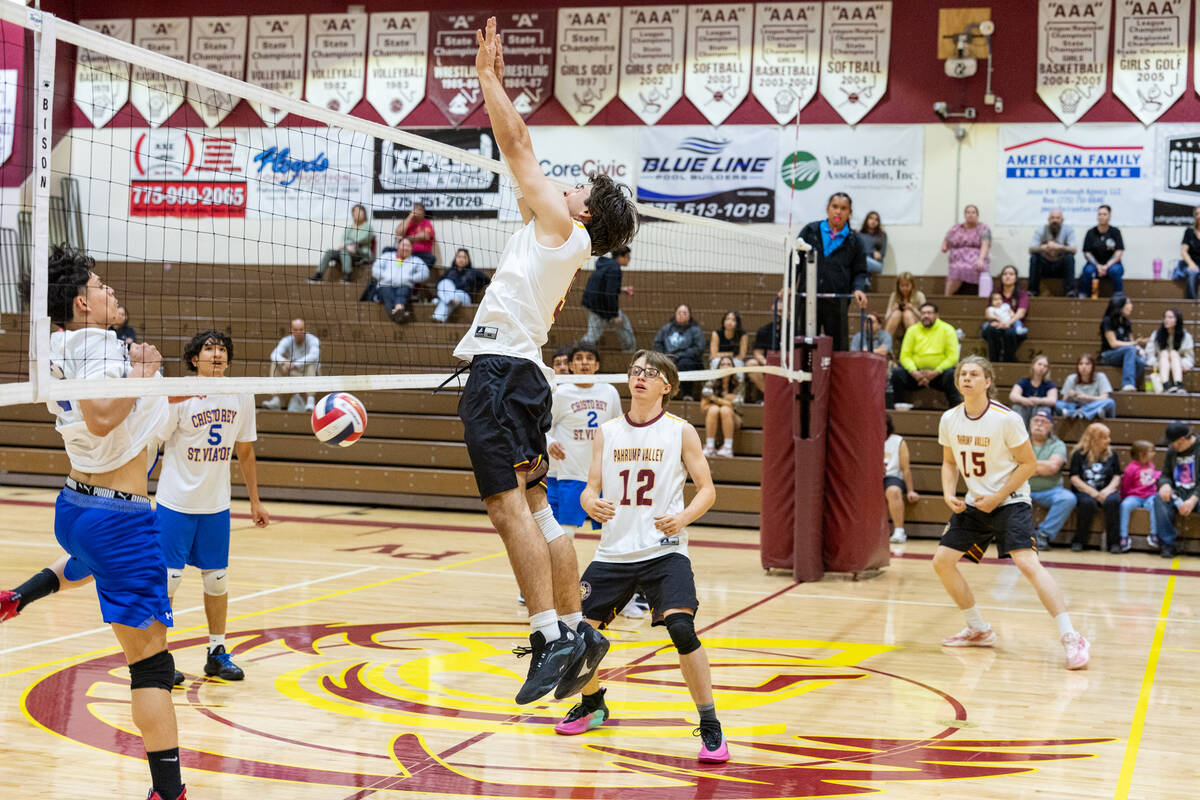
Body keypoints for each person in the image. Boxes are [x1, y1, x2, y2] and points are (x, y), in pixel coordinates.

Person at [452, 17, 637, 706]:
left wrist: (488, 80)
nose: (563, 189)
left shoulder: (560, 227)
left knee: (508, 511)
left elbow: (518, 143)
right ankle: (575, 629)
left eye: (577, 191)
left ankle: (546, 637)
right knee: (541, 512)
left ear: (584, 215)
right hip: (523, 376)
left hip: (502, 377)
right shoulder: (566, 245)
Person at [3, 245, 186, 799]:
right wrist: (145, 368)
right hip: (118, 519)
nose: (111, 292)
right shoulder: (103, 346)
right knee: (151, 666)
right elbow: (104, 417)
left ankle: (17, 596)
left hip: (77, 507)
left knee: (89, 563)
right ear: (82, 302)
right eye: (102, 285)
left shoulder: (58, 342)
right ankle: (169, 792)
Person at [564, 350, 727, 764]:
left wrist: (683, 517)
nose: (640, 377)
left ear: (665, 386)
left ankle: (710, 725)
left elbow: (707, 489)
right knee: (577, 635)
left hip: (663, 551)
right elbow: (591, 486)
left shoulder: (681, 431)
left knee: (681, 629)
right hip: (613, 551)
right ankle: (594, 703)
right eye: (636, 371)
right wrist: (590, 502)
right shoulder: (608, 431)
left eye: (650, 374)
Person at [933, 355, 1090, 670]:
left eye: (974, 374)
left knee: (1026, 563)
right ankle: (978, 628)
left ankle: (1071, 636)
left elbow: (1029, 465)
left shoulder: (1006, 418)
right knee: (942, 563)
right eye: (962, 374)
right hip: (975, 502)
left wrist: (997, 496)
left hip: (1011, 500)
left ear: (988, 381)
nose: (966, 378)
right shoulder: (950, 418)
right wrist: (949, 492)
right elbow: (950, 462)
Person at [157, 330, 269, 685]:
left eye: (221, 349)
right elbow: (157, 440)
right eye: (209, 349)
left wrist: (254, 501)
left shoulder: (241, 393)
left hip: (216, 504)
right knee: (168, 581)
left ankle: (216, 653)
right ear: (195, 359)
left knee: (217, 581)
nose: (216, 354)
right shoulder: (180, 392)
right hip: (175, 501)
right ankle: (158, 657)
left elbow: (245, 450)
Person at [797, 192, 870, 351]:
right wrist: (789, 285)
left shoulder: (855, 240)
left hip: (837, 303)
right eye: (835, 207)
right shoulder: (810, 231)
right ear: (827, 209)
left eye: (843, 208)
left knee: (838, 349)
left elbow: (860, 271)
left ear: (849, 213)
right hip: (807, 300)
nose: (838, 212)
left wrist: (859, 288)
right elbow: (795, 261)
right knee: (804, 348)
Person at [890, 302, 962, 408]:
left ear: (937, 315)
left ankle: (955, 411)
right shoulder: (912, 330)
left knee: (951, 375)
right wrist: (914, 371)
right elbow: (905, 356)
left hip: (939, 374)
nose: (926, 316)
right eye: (923, 313)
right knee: (896, 374)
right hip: (916, 375)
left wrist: (936, 371)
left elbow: (953, 357)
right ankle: (901, 409)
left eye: (929, 313)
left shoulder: (947, 329)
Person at [1027, 407, 1076, 551]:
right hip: (1022, 488)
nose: (1040, 424)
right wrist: (1041, 467)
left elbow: (1053, 467)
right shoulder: (1021, 442)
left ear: (1050, 427)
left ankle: (1043, 535)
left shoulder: (1057, 444)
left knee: (1067, 499)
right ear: (1030, 423)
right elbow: (1011, 467)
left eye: (1044, 422)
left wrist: (1027, 466)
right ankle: (1016, 536)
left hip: (1050, 490)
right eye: (1036, 420)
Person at [1067, 422, 1122, 552]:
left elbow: (1117, 476)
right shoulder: (1078, 455)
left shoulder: (1112, 454)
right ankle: (1079, 541)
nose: (1109, 440)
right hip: (1085, 491)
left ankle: (1114, 543)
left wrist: (1107, 491)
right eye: (1105, 437)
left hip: (1106, 490)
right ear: (1094, 439)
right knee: (1087, 503)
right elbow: (1074, 477)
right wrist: (1093, 493)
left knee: (1113, 501)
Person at [1152, 421, 1198, 559]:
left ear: (1183, 440)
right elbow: (1165, 474)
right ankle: (1168, 544)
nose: (1171, 446)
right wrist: (1165, 485)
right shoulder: (1172, 451)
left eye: (1173, 442)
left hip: (1197, 494)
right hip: (1178, 493)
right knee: (1159, 499)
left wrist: (1193, 499)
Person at [580, 245, 636, 351]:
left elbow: (605, 287)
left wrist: (621, 289)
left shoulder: (606, 265)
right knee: (594, 335)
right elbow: (610, 293)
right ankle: (630, 353)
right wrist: (614, 315)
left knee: (593, 334)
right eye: (628, 257)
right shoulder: (615, 269)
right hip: (601, 307)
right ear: (621, 256)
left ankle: (580, 351)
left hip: (594, 304)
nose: (629, 259)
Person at [262, 318, 321, 412]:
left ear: (305, 329)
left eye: (301, 329)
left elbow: (314, 355)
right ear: (291, 330)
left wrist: (295, 364)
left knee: (311, 365)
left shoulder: (313, 340)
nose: (299, 332)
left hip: (308, 373)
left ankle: (310, 401)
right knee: (275, 364)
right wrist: (285, 362)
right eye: (296, 330)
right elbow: (273, 355)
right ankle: (276, 399)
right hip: (291, 372)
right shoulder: (287, 340)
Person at [371, 237, 430, 324]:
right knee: (387, 292)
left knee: (403, 291)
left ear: (411, 248)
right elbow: (375, 269)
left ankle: (397, 310)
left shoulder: (416, 260)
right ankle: (399, 313)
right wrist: (385, 276)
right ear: (398, 246)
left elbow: (425, 273)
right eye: (403, 245)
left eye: (408, 246)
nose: (405, 248)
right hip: (385, 285)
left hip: (404, 286)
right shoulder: (387, 256)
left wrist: (411, 278)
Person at [653, 304, 706, 398]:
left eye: (684, 313)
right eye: (679, 313)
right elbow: (657, 343)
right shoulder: (666, 329)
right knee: (661, 364)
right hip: (668, 358)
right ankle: (664, 394)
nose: (681, 315)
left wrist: (681, 355)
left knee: (685, 363)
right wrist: (663, 356)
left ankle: (687, 393)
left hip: (688, 359)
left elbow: (699, 348)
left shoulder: (696, 330)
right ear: (675, 314)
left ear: (689, 315)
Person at [312, 203, 373, 283]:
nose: (357, 213)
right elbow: (343, 240)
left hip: (362, 253)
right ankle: (319, 274)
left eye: (359, 211)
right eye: (355, 211)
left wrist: (348, 245)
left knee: (344, 251)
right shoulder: (349, 228)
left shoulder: (367, 227)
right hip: (347, 251)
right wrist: (347, 245)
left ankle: (347, 275)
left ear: (364, 214)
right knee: (329, 252)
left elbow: (362, 239)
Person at [979, 265, 1029, 363]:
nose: (1008, 276)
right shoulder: (995, 293)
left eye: (1011, 274)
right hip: (996, 322)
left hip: (1013, 323)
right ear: (1001, 277)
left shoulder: (1021, 294)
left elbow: (1021, 313)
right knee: (991, 329)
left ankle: (1008, 361)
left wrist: (1008, 323)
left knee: (1010, 333)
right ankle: (994, 361)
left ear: (1016, 278)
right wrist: (998, 321)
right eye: (1005, 274)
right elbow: (988, 312)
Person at [1098, 293, 1147, 392]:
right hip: (1108, 355)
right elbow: (1113, 344)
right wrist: (1133, 344)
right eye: (1128, 303)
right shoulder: (1108, 321)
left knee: (1141, 362)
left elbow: (1131, 341)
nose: (1131, 306)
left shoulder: (1126, 322)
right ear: (1120, 306)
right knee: (1130, 350)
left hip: (1125, 353)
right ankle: (1127, 384)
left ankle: (1129, 384)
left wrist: (1139, 348)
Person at [1118, 440, 1160, 554]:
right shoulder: (1130, 468)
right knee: (1125, 505)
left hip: (1150, 496)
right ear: (1141, 454)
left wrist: (1158, 474)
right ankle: (1123, 537)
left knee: (1155, 504)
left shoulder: (1151, 465)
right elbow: (1125, 486)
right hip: (1135, 496)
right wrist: (1124, 497)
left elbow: (1153, 476)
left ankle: (1153, 534)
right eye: (1151, 451)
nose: (1154, 453)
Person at [884, 413, 920, 544]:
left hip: (892, 477)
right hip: (873, 478)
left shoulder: (898, 441)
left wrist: (910, 490)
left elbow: (906, 468)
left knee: (893, 491)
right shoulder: (868, 437)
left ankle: (899, 531)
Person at [941, 204, 992, 295]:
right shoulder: (956, 228)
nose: (970, 214)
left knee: (973, 267)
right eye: (968, 212)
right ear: (964, 214)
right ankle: (947, 297)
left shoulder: (984, 228)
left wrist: (981, 259)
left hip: (976, 257)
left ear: (977, 215)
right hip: (957, 259)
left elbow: (985, 244)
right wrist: (944, 246)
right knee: (956, 269)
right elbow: (946, 239)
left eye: (973, 212)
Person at [1028, 208, 1078, 297]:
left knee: (1069, 257)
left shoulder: (1068, 230)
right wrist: (1043, 248)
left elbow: (1074, 249)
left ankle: (1070, 291)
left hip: (1060, 266)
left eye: (1057, 218)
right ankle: (1033, 291)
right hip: (1045, 266)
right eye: (1052, 218)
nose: (1055, 220)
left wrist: (1060, 247)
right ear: (1048, 220)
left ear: (1062, 220)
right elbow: (1031, 249)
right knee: (1034, 257)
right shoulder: (1041, 230)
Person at [700, 355, 743, 458]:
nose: (726, 366)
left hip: (734, 418)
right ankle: (710, 447)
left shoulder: (739, 383)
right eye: (723, 364)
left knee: (725, 410)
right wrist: (725, 401)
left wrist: (714, 399)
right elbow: (704, 404)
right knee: (714, 409)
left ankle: (728, 448)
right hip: (713, 416)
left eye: (729, 364)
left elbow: (736, 405)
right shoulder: (711, 382)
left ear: (733, 367)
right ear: (718, 367)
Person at [433, 247, 491, 324]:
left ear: (468, 259)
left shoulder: (474, 272)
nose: (461, 259)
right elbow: (439, 285)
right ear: (455, 258)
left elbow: (488, 281)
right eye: (459, 257)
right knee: (444, 282)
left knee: (454, 295)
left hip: (464, 297)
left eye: (464, 257)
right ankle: (440, 315)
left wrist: (478, 287)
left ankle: (441, 309)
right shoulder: (449, 271)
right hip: (453, 299)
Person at [1079, 204, 1125, 298]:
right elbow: (1087, 253)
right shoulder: (1091, 232)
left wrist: (1106, 266)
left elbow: (1119, 251)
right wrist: (1098, 266)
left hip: (1112, 264)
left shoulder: (1115, 232)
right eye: (1099, 214)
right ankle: (1085, 295)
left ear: (1109, 216)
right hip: (1094, 264)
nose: (1101, 216)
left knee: (1115, 270)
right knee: (1087, 271)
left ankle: (1118, 296)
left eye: (1104, 214)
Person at [1144, 308, 1193, 394]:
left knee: (1173, 353)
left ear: (1177, 320)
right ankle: (1165, 384)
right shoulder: (1156, 334)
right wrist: (1155, 363)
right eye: (1165, 317)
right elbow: (1149, 353)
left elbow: (1189, 356)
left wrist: (1185, 364)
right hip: (1161, 362)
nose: (1166, 320)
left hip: (1178, 362)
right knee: (1164, 353)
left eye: (1170, 317)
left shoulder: (1186, 336)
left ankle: (1178, 384)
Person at [1056, 353, 1115, 419]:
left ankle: (1077, 413)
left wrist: (1087, 398)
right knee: (1057, 404)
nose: (1084, 366)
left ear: (1092, 366)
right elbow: (1064, 400)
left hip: (1093, 405)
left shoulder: (1101, 376)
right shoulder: (1071, 378)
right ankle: (1090, 413)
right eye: (1081, 364)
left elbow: (1105, 397)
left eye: (1087, 364)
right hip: (1076, 405)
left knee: (1110, 402)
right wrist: (1069, 395)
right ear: (1078, 366)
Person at [1008, 354, 1058, 427]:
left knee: (1044, 410)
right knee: (1017, 408)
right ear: (1033, 365)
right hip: (1025, 407)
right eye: (1039, 364)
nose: (1042, 367)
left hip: (1039, 408)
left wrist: (1038, 400)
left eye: (1045, 366)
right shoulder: (1024, 381)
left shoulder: (1049, 384)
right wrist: (1024, 400)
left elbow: (1052, 400)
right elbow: (1013, 396)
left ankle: (1035, 435)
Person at [882, 272, 925, 342]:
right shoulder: (894, 296)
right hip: (896, 324)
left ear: (912, 285)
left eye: (907, 285)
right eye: (902, 286)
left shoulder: (920, 296)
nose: (904, 288)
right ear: (898, 286)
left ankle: (915, 344)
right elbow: (886, 317)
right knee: (896, 313)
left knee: (907, 313)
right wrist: (893, 309)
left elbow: (924, 316)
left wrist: (912, 309)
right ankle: (885, 345)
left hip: (915, 323)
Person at [1172, 204, 1200, 300]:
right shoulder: (1189, 232)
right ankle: (1192, 303)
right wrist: (1191, 264)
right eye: (1197, 214)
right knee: (1192, 272)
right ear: (1194, 217)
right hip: (1190, 264)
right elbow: (1183, 251)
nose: (1199, 216)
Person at [397, 201, 437, 268]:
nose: (417, 211)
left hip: (420, 254)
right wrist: (410, 216)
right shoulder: (408, 222)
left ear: (424, 213)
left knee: (431, 258)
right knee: (387, 250)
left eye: (420, 210)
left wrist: (406, 238)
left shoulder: (426, 223)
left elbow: (426, 236)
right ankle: (399, 268)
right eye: (415, 209)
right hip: (404, 253)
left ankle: (411, 272)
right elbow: (398, 233)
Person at [857, 210, 887, 276]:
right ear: (866, 220)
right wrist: (872, 253)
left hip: (876, 264)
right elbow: (856, 252)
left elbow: (882, 254)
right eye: (871, 218)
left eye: (876, 220)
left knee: (862, 260)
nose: (873, 221)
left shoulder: (882, 235)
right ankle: (865, 281)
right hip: (861, 261)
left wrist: (866, 253)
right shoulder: (859, 234)